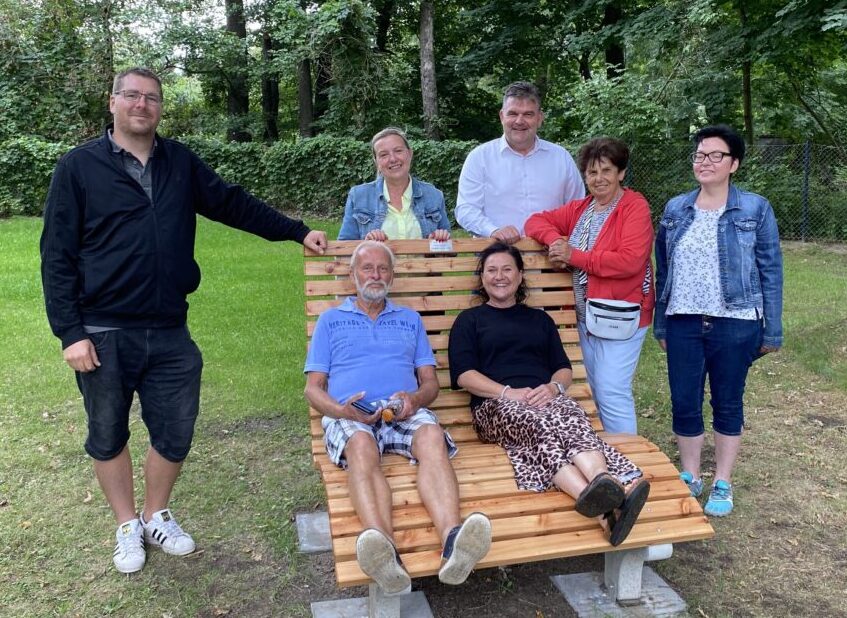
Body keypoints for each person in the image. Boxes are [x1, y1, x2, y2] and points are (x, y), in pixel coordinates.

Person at [40, 67, 328, 574]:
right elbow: (56, 255)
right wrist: (71, 333)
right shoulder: (78, 167)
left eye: (151, 98)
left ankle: (155, 514)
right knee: (107, 432)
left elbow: (232, 204)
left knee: (175, 431)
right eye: (132, 95)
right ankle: (126, 524)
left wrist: (296, 231)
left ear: (159, 108)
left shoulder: (179, 162)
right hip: (103, 329)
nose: (142, 105)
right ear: (113, 103)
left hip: (170, 327)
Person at [303, 241, 491, 593]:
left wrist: (415, 399)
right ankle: (384, 550)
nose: (375, 275)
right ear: (352, 275)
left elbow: (431, 383)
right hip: (353, 414)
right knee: (360, 446)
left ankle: (453, 542)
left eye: (382, 268)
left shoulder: (410, 320)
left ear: (392, 275)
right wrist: (340, 410)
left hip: (402, 410)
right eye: (367, 268)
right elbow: (313, 389)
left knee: (432, 437)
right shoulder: (331, 321)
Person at [448, 242, 650, 546]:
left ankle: (602, 489)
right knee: (540, 427)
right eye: (492, 270)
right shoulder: (469, 321)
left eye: (507, 269)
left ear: (519, 277)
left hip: (545, 398)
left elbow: (562, 369)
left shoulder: (539, 320)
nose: (499, 276)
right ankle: (600, 499)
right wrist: (506, 392)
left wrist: (553, 388)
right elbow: (465, 375)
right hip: (495, 406)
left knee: (573, 417)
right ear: (482, 277)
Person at [653, 124, 783, 517]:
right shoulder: (677, 208)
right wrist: (662, 322)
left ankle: (722, 481)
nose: (704, 162)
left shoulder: (755, 209)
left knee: (727, 400)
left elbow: (771, 269)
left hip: (736, 321)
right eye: (699, 155)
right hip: (683, 321)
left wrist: (771, 328)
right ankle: (690, 475)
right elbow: (664, 268)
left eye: (715, 155)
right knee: (684, 400)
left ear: (734, 164)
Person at [525, 137, 654, 435]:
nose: (599, 179)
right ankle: (611, 454)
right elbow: (535, 221)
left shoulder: (634, 207)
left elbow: (630, 261)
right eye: (592, 172)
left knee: (612, 391)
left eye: (607, 170)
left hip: (622, 314)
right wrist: (555, 240)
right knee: (597, 389)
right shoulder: (582, 209)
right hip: (586, 316)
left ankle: (629, 460)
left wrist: (575, 256)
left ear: (621, 173)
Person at [455, 81, 584, 244]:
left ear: (539, 118)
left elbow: (578, 209)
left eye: (528, 114)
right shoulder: (479, 158)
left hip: (552, 259)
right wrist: (493, 230)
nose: (519, 121)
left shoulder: (561, 158)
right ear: (502, 116)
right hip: (497, 259)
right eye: (513, 113)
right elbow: (466, 209)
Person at [338, 127, 450, 242]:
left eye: (398, 151)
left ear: (410, 154)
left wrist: (439, 243)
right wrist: (366, 247)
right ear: (376, 162)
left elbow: (449, 252)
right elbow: (343, 251)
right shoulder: (358, 196)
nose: (392, 159)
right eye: (383, 155)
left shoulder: (434, 195)